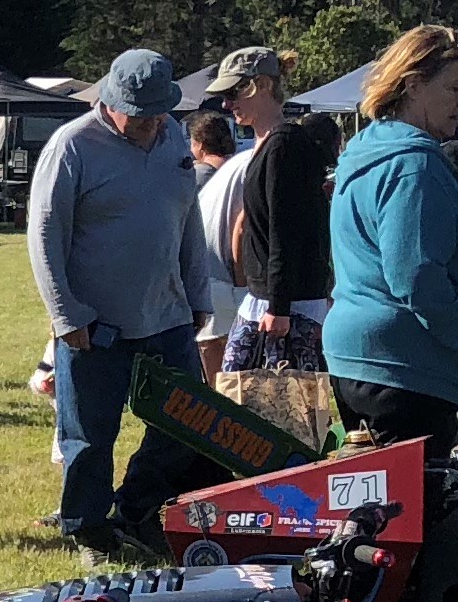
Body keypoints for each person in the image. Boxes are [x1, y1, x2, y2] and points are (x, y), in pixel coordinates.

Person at [23, 49, 215, 551]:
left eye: (158, 112)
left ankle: (136, 510)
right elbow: (44, 235)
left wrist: (198, 292)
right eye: (140, 114)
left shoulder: (174, 136)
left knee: (183, 422)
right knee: (89, 436)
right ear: (110, 102)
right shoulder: (71, 146)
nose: (151, 124)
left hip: (168, 313)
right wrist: (66, 314)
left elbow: (186, 218)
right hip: (95, 322)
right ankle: (88, 529)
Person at [323, 26, 458, 458]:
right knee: (415, 514)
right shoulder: (414, 166)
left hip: (363, 359)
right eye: (456, 88)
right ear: (412, 84)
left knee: (380, 515)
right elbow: (417, 277)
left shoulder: (367, 149)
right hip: (405, 371)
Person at [233, 62, 339, 366]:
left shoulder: (284, 145)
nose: (228, 103)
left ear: (263, 86)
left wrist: (278, 307)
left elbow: (286, 229)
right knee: (238, 397)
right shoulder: (266, 143)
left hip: (289, 307)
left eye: (235, 92)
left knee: (289, 404)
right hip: (265, 299)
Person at [183, 110, 247, 378]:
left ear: (198, 143)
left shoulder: (193, 178)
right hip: (242, 278)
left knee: (212, 361)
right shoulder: (243, 169)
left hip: (210, 275)